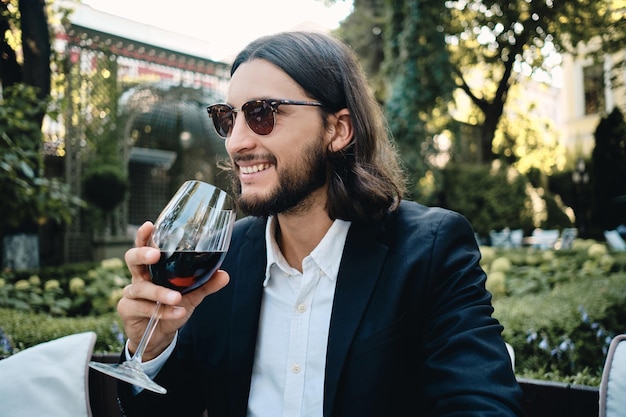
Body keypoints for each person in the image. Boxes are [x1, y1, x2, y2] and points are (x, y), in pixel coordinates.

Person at [116, 31, 524, 417]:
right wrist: (150, 348)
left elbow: (482, 403)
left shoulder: (431, 250)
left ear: (338, 129)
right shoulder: (222, 263)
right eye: (228, 117)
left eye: (262, 113)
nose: (236, 141)